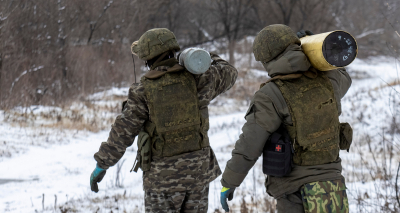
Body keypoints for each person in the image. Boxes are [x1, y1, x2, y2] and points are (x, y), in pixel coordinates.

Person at [89, 28, 238, 213]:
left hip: (161, 180)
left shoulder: (142, 90)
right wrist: (203, 57)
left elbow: (123, 132)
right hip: (197, 176)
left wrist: (102, 164)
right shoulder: (199, 80)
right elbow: (229, 71)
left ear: (147, 59)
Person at [220, 24, 352, 213]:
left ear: (266, 59)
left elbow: (249, 144)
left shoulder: (271, 94)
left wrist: (229, 182)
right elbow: (343, 73)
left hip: (295, 192)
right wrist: (321, 51)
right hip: (333, 189)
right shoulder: (327, 81)